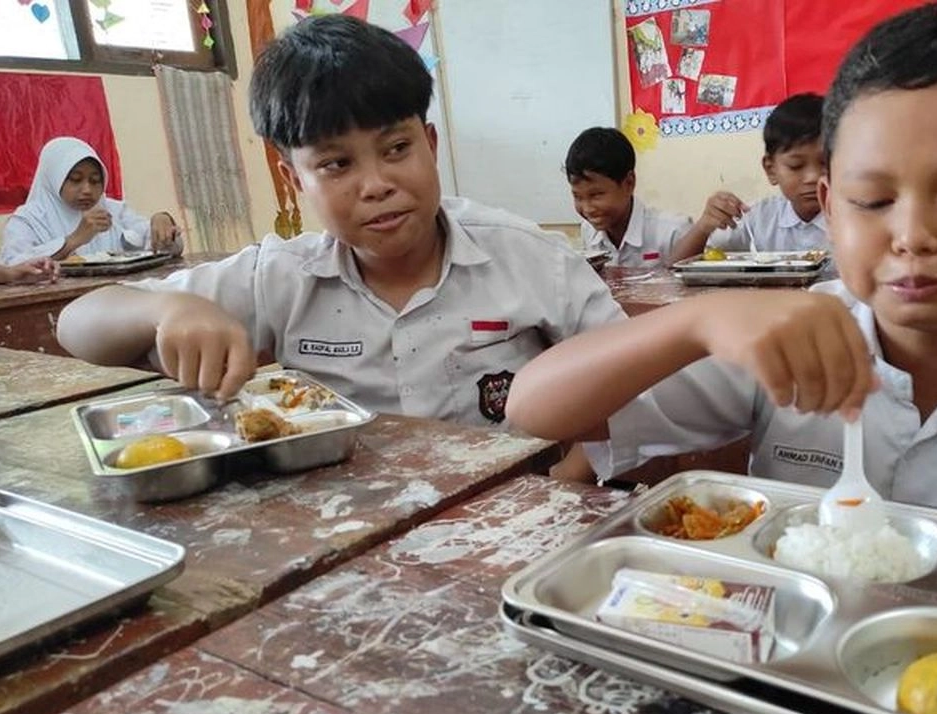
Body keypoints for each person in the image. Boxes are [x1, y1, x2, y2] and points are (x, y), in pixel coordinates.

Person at [507, 1, 937, 583]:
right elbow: (535, 412)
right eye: (872, 199)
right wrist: (700, 320)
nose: (914, 234)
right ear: (832, 206)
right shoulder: (791, 337)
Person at [56, 15, 625, 438]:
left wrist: (567, 471)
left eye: (396, 148)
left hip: (514, 524)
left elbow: (629, 384)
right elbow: (79, 325)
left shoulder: (529, 257)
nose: (375, 184)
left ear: (430, 145)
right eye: (336, 164)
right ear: (293, 176)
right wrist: (166, 310)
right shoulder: (280, 276)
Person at [670, 93, 829, 261]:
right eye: (795, 166)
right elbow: (676, 266)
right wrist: (703, 227)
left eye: (825, 163)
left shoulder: (855, 218)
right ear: (771, 170)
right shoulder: (757, 219)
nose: (812, 177)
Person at [0, 137, 182, 264]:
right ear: (53, 179)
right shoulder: (28, 219)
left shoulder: (113, 211)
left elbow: (166, 248)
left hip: (117, 299)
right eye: (75, 179)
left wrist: (163, 223)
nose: (87, 190)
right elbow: (11, 264)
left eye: (95, 181)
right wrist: (73, 240)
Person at [566, 127, 691, 267]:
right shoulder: (589, 231)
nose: (587, 208)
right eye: (577, 197)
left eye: (596, 195)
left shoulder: (674, 232)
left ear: (629, 183)